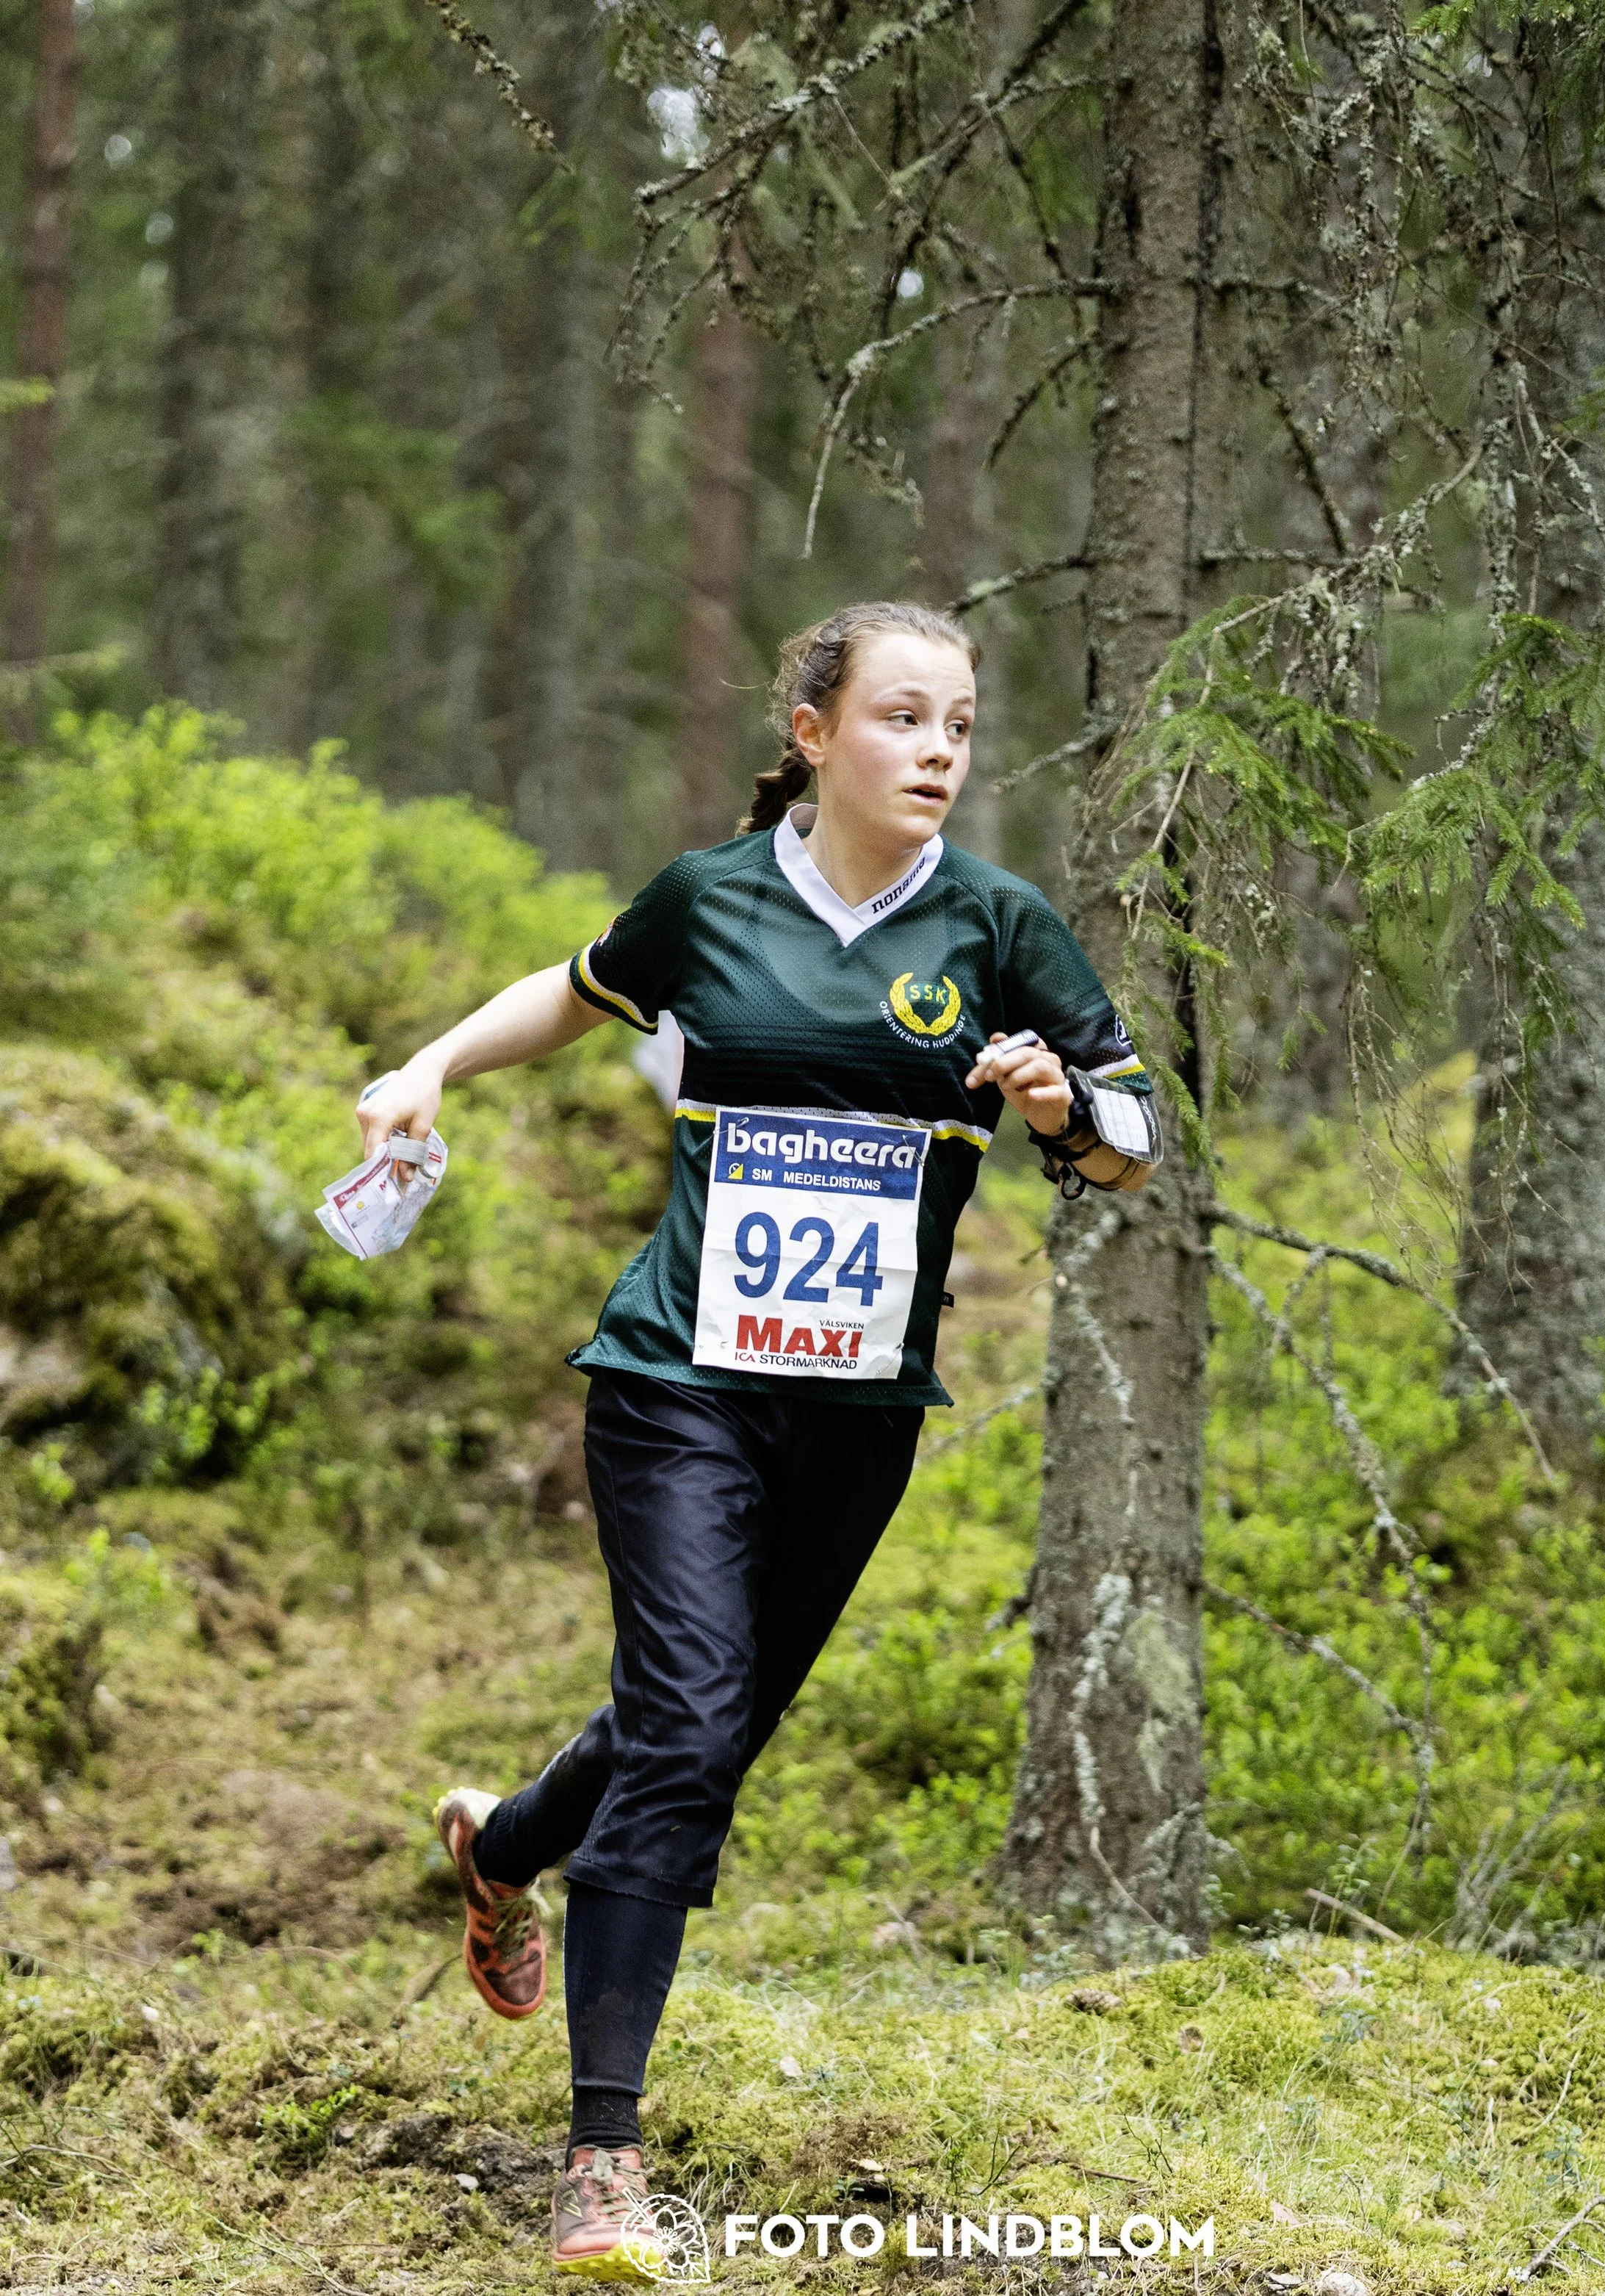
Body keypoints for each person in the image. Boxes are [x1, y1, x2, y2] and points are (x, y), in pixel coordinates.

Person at [355, 600, 1159, 2281]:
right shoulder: (709, 899)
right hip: (674, 1380)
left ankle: (501, 1846)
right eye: (901, 718)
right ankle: (602, 2157)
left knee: (693, 1719)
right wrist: (430, 1061)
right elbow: (572, 996)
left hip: (857, 1413)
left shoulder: (999, 925)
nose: (937, 750)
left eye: (957, 724)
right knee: (690, 1726)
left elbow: (1133, 1138)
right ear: (813, 730)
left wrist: (1057, 1114)